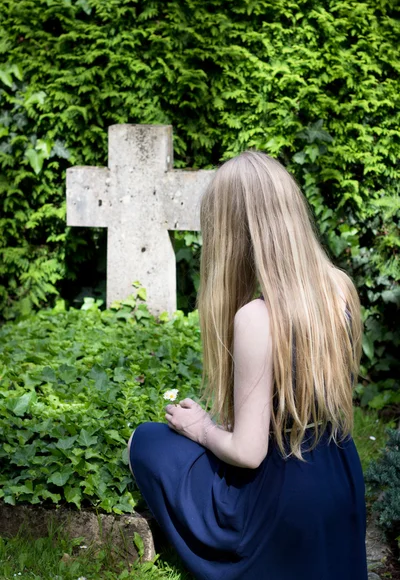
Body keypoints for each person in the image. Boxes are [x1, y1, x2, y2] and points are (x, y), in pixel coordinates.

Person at [127, 151, 368, 580]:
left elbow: (248, 453)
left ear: (234, 232)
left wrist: (199, 427)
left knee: (145, 442)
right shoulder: (340, 289)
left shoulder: (257, 317)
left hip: (280, 505)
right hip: (339, 483)